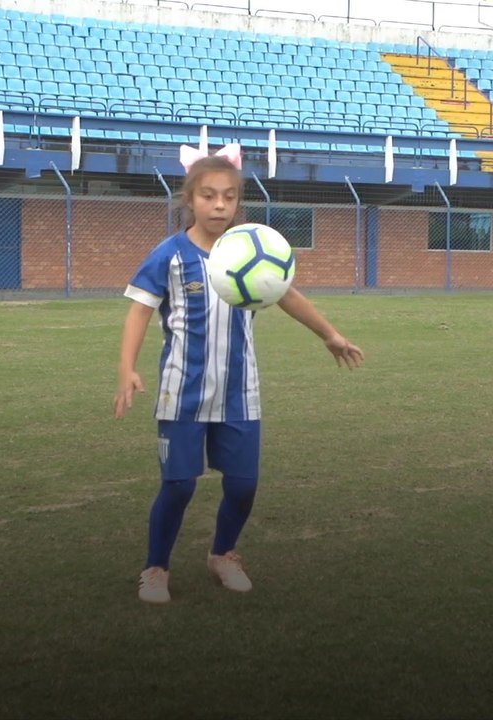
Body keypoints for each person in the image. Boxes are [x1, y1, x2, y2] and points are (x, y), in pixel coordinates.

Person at [113, 143, 365, 605]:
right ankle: (155, 568)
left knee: (244, 484)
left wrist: (328, 334)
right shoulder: (168, 255)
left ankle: (223, 555)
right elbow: (139, 312)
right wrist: (127, 368)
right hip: (181, 393)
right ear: (190, 200)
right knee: (179, 485)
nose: (220, 205)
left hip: (239, 392)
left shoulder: (252, 248)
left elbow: (287, 294)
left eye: (228, 196)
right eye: (208, 196)